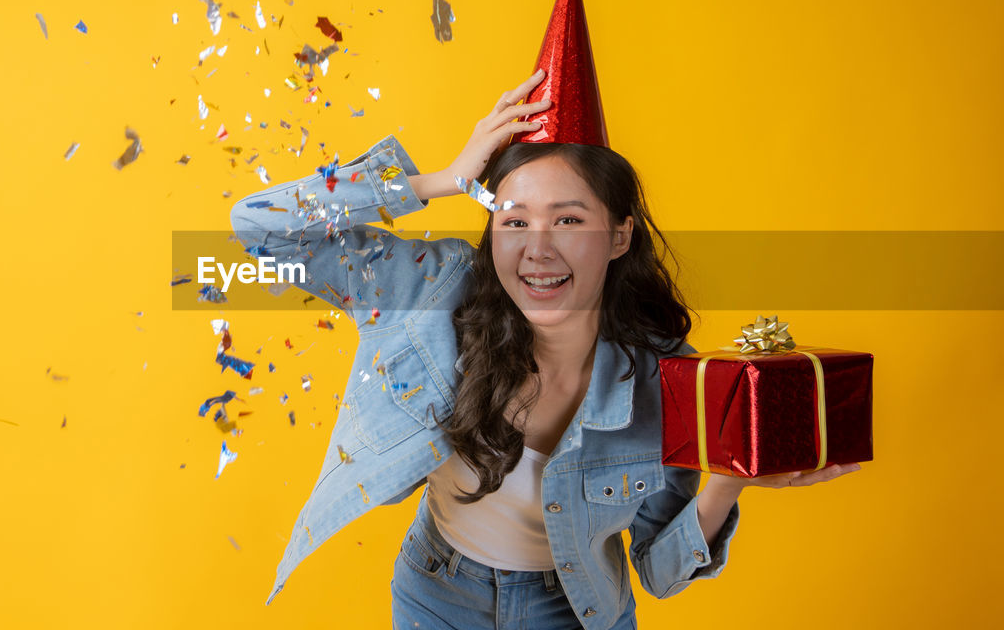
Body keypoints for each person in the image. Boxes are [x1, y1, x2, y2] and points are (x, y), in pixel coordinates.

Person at [229, 69, 861, 629]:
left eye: (567, 219)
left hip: (577, 609)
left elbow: (661, 572)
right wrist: (440, 179)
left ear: (619, 236)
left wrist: (725, 484)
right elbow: (257, 226)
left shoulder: (663, 376)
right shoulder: (428, 289)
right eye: (513, 219)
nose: (537, 247)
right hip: (436, 594)